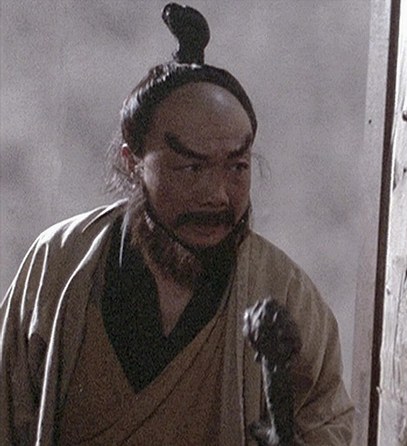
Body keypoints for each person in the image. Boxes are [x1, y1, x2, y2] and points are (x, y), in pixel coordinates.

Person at [0, 4, 353, 445]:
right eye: (191, 168)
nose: (218, 195)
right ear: (133, 162)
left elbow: (327, 420)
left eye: (237, 167)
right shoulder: (59, 264)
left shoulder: (283, 290)